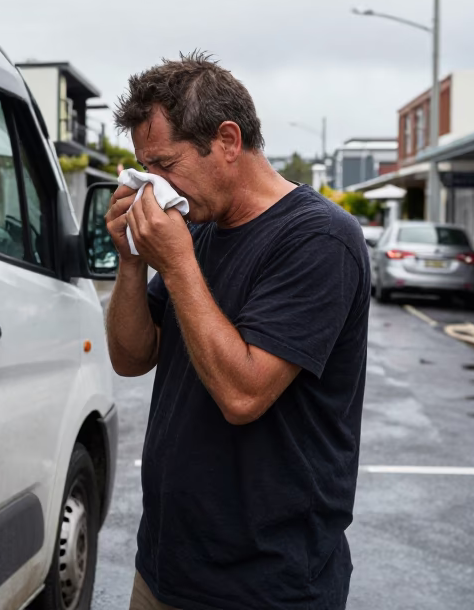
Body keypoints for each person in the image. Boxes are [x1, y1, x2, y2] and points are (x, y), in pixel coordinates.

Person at [105, 52, 369, 610]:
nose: (155, 188)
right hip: (164, 567)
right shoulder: (198, 227)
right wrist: (131, 262)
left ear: (227, 141)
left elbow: (243, 394)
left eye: (165, 165)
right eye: (143, 171)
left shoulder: (320, 240)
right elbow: (131, 358)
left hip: (265, 585)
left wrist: (175, 265)